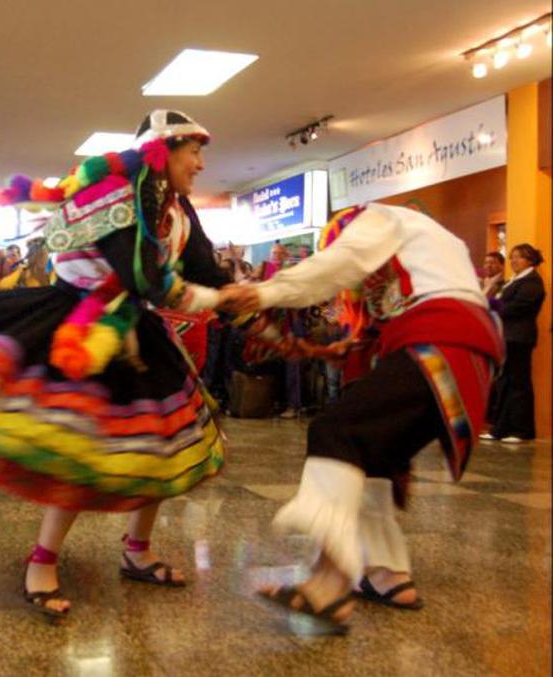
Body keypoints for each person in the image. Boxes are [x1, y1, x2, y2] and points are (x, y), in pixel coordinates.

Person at [0, 110, 231, 619]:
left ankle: (137, 552)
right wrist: (217, 299)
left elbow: (205, 269)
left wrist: (254, 302)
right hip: (81, 326)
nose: (201, 164)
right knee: (78, 448)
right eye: (194, 151)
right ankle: (42, 560)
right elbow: (140, 274)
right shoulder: (116, 193)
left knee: (162, 446)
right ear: (164, 152)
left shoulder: (177, 209)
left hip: (138, 330)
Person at [220, 204, 504, 634]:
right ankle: (389, 575)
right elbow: (395, 309)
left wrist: (265, 293)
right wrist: (348, 348)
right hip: (465, 352)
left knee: (337, 432)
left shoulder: (383, 218)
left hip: (440, 339)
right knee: (372, 462)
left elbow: (341, 263)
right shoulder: (441, 245)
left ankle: (327, 585)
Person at [481, 244, 546, 443]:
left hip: (518, 338)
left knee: (518, 383)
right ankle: (500, 428)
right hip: (506, 337)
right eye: (512, 257)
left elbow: (517, 307)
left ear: (530, 260)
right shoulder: (515, 280)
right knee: (504, 382)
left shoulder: (532, 281)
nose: (514, 261)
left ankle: (521, 430)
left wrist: (493, 307)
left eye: (519, 257)